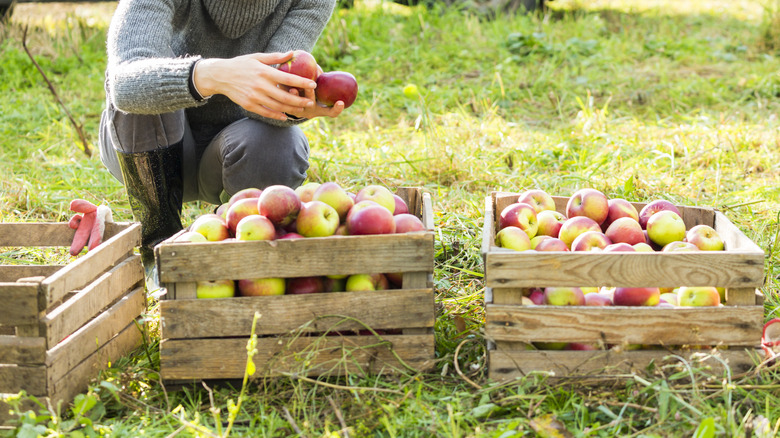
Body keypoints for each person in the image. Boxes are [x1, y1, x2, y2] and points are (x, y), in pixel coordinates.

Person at [97, 0, 342, 283]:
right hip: (149, 143)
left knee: (280, 144)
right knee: (143, 89)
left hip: (234, 150)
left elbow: (277, 91)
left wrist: (293, 106)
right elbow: (125, 86)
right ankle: (158, 250)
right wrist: (215, 75)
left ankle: (236, 252)